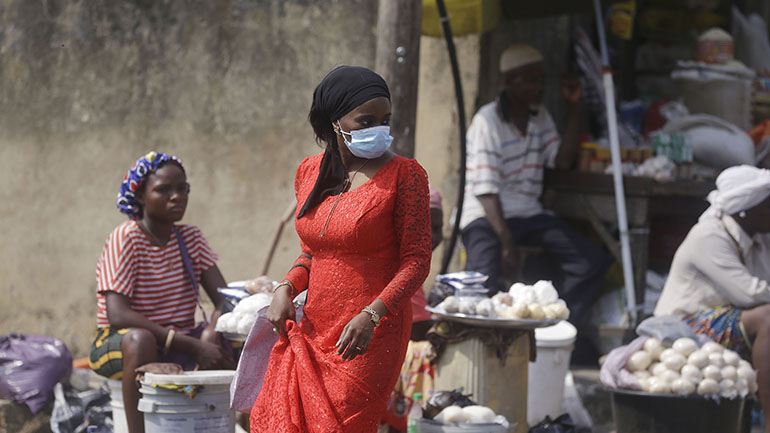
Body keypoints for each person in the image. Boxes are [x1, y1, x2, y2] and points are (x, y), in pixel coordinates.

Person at [250, 66, 432, 432]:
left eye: (386, 120)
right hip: (314, 329)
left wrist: (373, 315)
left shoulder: (405, 175)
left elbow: (417, 261)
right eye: (366, 121)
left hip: (369, 335)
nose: (379, 129)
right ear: (336, 123)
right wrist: (285, 288)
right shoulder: (309, 172)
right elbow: (312, 253)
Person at [460, 44, 610, 328]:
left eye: (541, 79)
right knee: (481, 281)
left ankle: (549, 327)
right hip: (485, 215)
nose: (539, 86)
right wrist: (506, 243)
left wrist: (574, 107)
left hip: (529, 214)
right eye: (530, 79)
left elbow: (561, 162)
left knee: (591, 262)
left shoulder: (540, 117)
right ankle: (482, 337)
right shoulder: (487, 121)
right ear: (509, 83)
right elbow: (486, 190)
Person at [89, 152, 234, 433]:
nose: (176, 196)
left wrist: (211, 331)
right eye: (164, 189)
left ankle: (219, 422)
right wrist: (191, 345)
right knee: (140, 340)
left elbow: (224, 298)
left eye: (182, 189)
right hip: (121, 343)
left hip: (178, 339)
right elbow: (118, 315)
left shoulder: (190, 238)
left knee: (236, 335)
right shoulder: (126, 238)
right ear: (142, 196)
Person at [654, 165, 770, 430]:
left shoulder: (761, 239)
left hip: (731, 320)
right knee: (767, 319)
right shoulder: (709, 234)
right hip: (683, 327)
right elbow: (750, 294)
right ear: (745, 208)